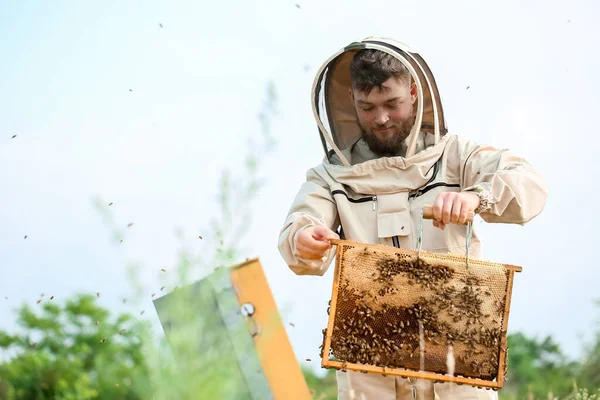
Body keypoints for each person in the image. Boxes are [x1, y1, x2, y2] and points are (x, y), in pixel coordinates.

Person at [278, 37, 547, 399]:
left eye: (392, 103)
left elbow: (529, 184)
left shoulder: (456, 156)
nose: (382, 118)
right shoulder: (330, 176)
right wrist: (305, 238)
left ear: (415, 92)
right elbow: (302, 223)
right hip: (369, 367)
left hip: (456, 356)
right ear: (351, 103)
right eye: (367, 107)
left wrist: (476, 197)